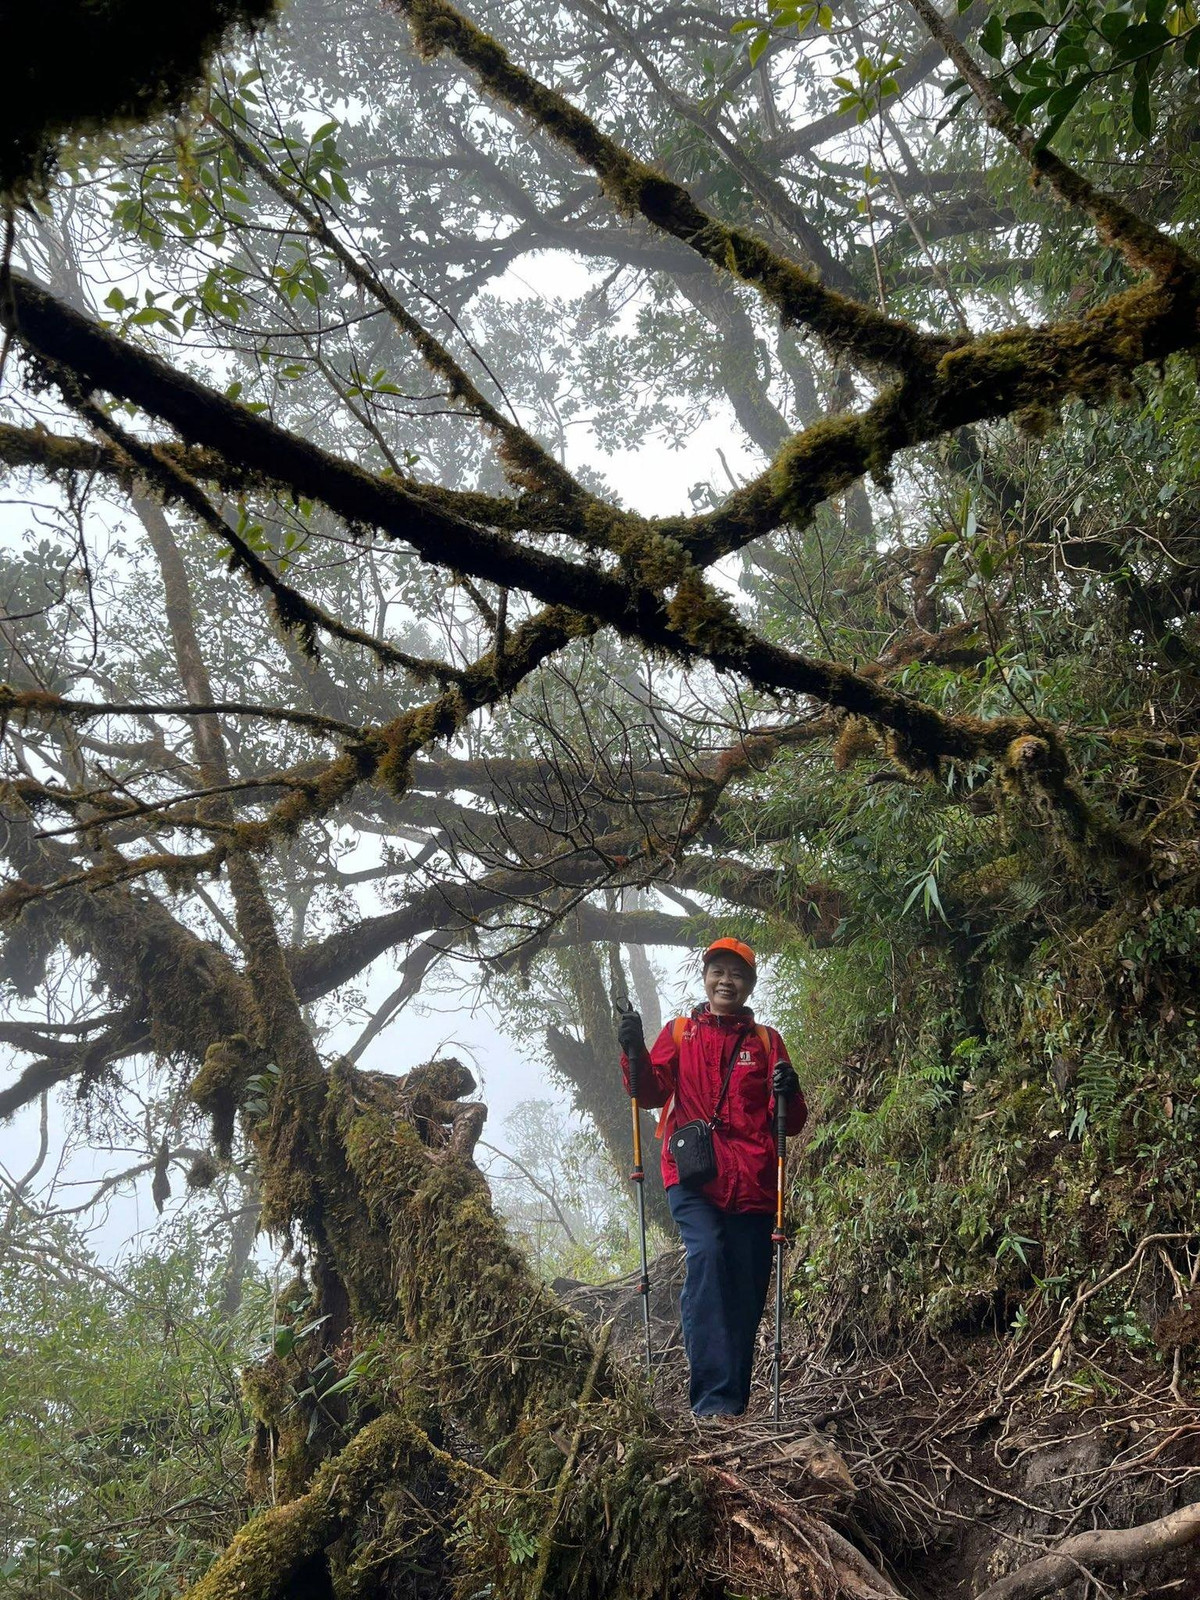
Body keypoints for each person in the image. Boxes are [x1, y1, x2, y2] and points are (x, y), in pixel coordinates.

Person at [618, 937, 805, 1421]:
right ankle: (710, 1403)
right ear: (705, 978)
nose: (727, 981)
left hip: (756, 1184)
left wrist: (790, 1090)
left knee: (745, 1288)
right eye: (718, 971)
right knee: (707, 1256)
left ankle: (732, 1405)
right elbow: (650, 1091)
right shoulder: (681, 1033)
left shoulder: (766, 1041)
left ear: (749, 985)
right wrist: (633, 1048)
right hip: (694, 1175)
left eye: (737, 974)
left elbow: (790, 1119)